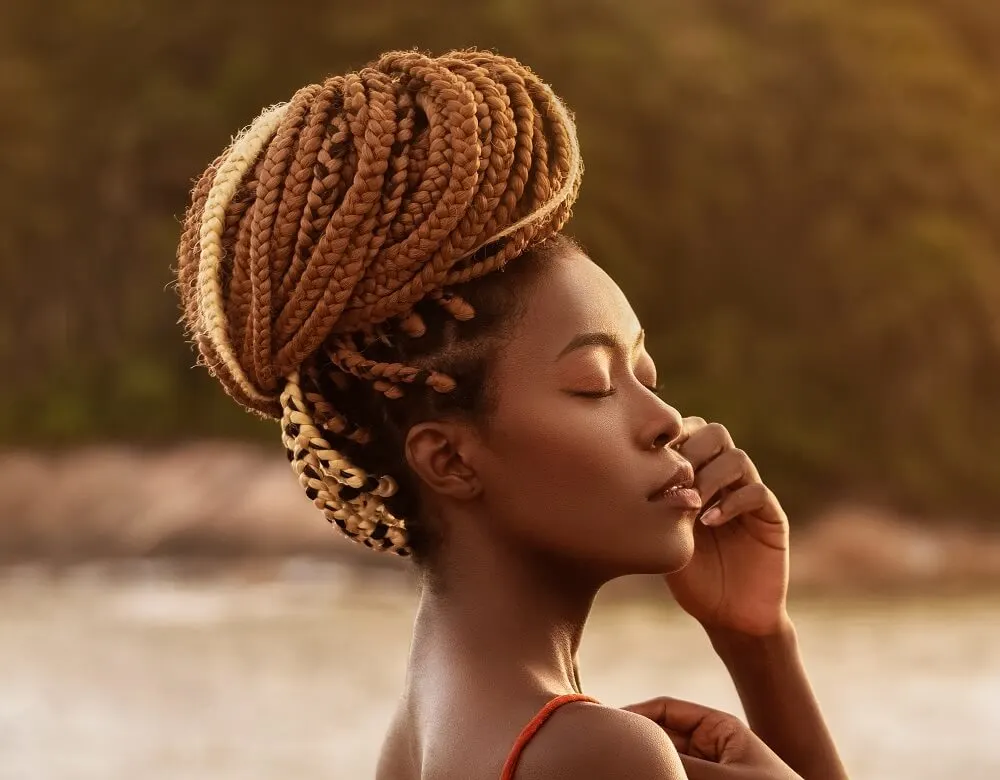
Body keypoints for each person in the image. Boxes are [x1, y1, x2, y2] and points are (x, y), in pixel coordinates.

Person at [175, 48, 848, 780]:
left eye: (646, 376)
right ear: (450, 460)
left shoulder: (425, 733)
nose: (663, 421)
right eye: (594, 385)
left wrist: (755, 637)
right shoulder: (592, 753)